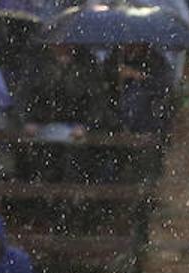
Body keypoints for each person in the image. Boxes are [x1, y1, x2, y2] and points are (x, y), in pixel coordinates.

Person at [17, 43, 115, 181]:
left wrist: (87, 126)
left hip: (77, 131)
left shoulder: (86, 64)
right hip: (42, 130)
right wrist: (28, 121)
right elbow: (26, 95)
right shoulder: (38, 64)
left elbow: (97, 102)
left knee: (75, 171)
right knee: (41, 171)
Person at [104, 44, 175, 136]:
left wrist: (140, 77)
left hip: (146, 114)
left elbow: (163, 84)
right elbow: (104, 76)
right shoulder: (116, 58)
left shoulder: (155, 60)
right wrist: (117, 76)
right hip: (116, 112)